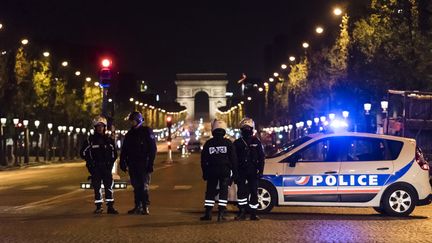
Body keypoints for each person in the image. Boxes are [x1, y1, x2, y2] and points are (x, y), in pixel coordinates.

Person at [120, 111, 157, 215]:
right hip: (133, 163)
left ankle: (145, 207)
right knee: (136, 186)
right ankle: (137, 206)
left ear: (139, 120)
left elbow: (152, 149)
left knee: (143, 186)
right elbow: (125, 149)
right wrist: (122, 161)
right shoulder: (129, 134)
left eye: (133, 121)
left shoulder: (147, 132)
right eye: (131, 121)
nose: (132, 123)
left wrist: (150, 164)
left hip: (144, 164)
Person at [200, 119, 237, 221]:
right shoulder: (228, 143)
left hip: (212, 171)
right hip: (225, 170)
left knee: (210, 192)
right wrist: (234, 174)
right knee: (223, 192)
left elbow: (203, 160)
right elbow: (233, 159)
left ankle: (208, 213)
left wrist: (204, 172)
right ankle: (221, 214)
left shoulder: (208, 143)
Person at [80, 116, 118, 214]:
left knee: (108, 187)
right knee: (97, 188)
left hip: (106, 167)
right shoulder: (90, 140)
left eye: (102, 126)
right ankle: (98, 206)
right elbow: (83, 153)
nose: (100, 128)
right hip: (95, 167)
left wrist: (110, 164)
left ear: (104, 127)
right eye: (98, 126)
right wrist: (90, 163)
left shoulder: (109, 140)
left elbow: (114, 154)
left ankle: (110, 207)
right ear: (95, 127)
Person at [234, 118, 265, 220]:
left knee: (253, 191)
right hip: (241, 170)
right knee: (242, 192)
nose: (247, 130)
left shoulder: (256, 142)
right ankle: (242, 211)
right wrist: (235, 172)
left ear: (252, 129)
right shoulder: (237, 143)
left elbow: (261, 157)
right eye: (245, 128)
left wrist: (260, 171)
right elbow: (233, 159)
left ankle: (253, 213)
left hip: (253, 170)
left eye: (248, 128)